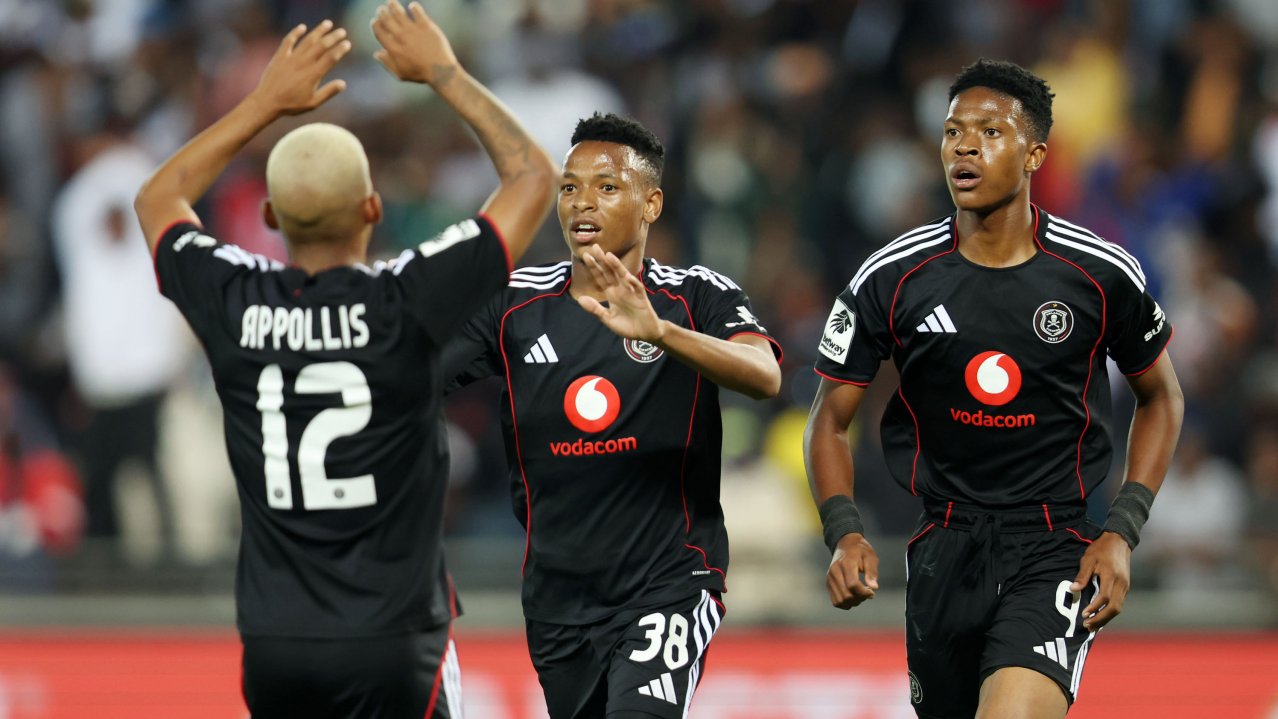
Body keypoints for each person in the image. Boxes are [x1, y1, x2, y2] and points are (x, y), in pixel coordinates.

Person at [132, 3, 556, 717]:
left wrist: (264, 104)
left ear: (269, 217)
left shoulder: (233, 301)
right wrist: (445, 74)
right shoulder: (407, 301)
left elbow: (157, 197)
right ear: (372, 208)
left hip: (275, 644)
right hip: (394, 642)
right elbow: (532, 178)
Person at [804, 58, 1184, 718]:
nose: (966, 146)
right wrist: (843, 530)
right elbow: (828, 419)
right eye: (953, 132)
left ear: (1036, 152)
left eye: (990, 130)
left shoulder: (1098, 274)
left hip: (1055, 546)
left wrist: (1121, 529)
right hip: (941, 549)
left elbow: (1162, 397)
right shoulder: (893, 278)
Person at [445, 112, 782, 718]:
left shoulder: (695, 295)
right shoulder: (515, 305)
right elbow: (412, 373)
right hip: (558, 599)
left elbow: (763, 375)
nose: (582, 203)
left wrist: (662, 333)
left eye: (606, 186)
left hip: (670, 583)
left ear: (651, 203)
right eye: (570, 186)